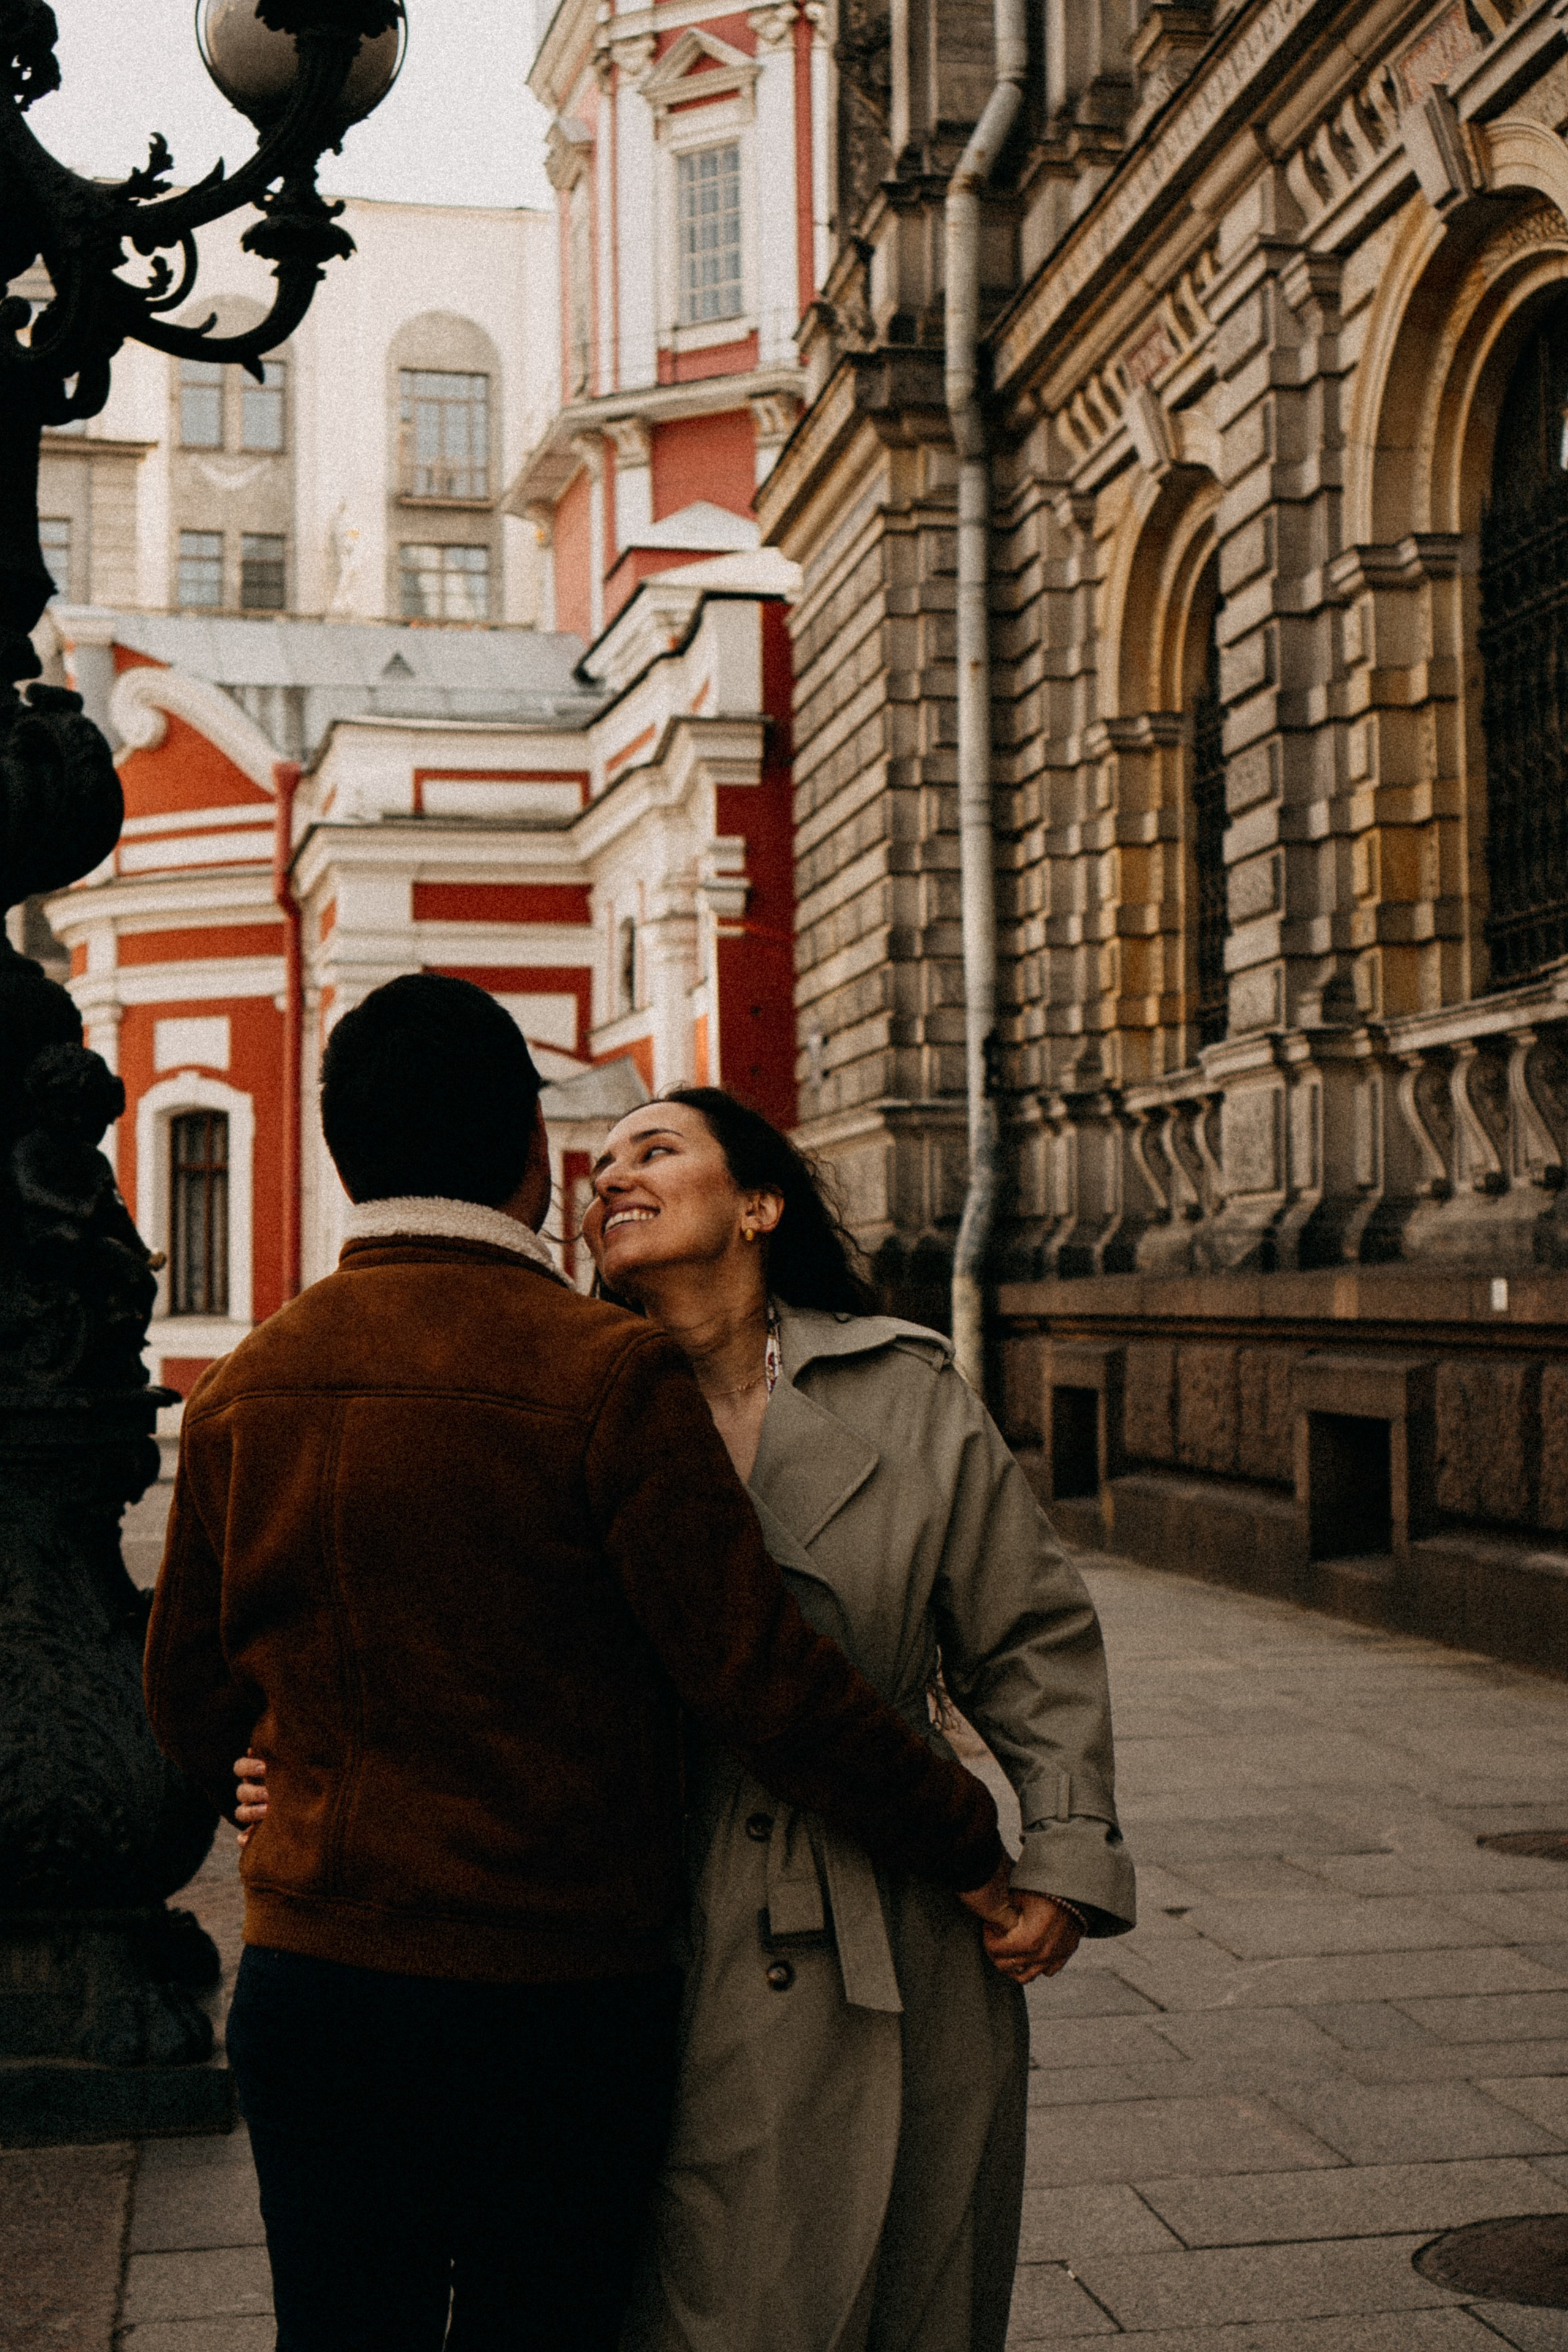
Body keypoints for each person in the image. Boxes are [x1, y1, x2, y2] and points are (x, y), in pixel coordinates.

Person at [143, 976, 1017, 2352]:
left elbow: (186, 1704)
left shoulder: (247, 1384)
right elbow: (756, 1678)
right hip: (550, 1999)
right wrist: (965, 1836)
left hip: (321, 1982)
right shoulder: (603, 1373)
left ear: (337, 1152)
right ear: (526, 1158)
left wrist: (269, 1768)